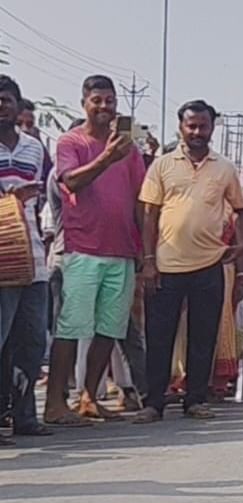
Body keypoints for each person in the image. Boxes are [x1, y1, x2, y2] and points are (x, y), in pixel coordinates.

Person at [133, 100, 243, 423]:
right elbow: (149, 213)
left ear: (212, 128)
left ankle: (195, 399)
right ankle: (153, 403)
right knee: (159, 336)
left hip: (210, 264)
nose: (197, 132)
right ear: (181, 127)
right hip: (166, 266)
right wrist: (149, 260)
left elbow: (240, 209)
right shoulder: (162, 165)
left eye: (203, 126)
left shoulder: (224, 168)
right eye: (191, 125)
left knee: (203, 335)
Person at [44, 75, 146, 425]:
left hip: (121, 250)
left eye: (110, 100)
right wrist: (107, 156)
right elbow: (70, 181)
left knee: (110, 329)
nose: (105, 107)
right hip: (82, 249)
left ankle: (89, 397)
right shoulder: (70, 141)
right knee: (71, 328)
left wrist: (142, 250)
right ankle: (56, 403)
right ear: (84, 102)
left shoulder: (129, 148)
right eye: (97, 100)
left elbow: (138, 200)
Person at [0, 75, 51, 444]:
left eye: (6, 99)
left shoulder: (34, 147)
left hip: (32, 255)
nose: (2, 105)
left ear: (18, 105)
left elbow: (47, 197)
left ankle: (23, 415)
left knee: (33, 340)